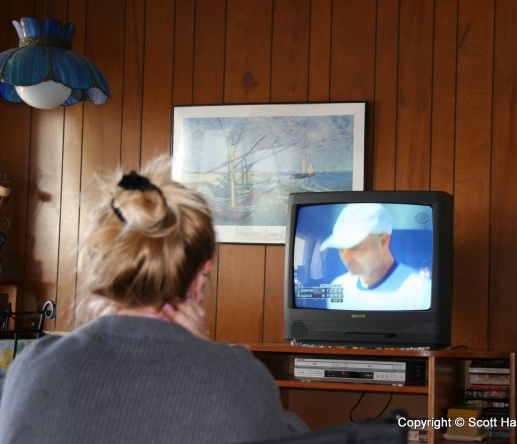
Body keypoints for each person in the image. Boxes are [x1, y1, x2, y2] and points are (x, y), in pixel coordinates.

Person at [0, 156, 307, 444]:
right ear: (201, 277)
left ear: (102, 265)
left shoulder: (33, 367)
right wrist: (207, 352)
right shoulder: (238, 376)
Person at [319, 203, 431, 311]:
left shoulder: (421, 291)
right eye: (341, 248)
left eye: (355, 246)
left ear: (383, 241)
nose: (345, 258)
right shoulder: (339, 287)